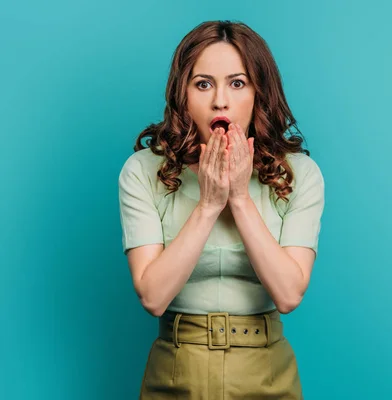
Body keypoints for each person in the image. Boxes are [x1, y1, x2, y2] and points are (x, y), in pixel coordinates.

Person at [117, 20, 325, 399]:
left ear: (260, 92)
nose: (220, 101)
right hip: (176, 371)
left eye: (237, 82)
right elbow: (153, 297)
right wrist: (209, 205)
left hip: (266, 374)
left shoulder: (300, 175)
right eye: (203, 84)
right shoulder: (143, 171)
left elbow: (289, 294)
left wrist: (240, 200)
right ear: (183, 94)